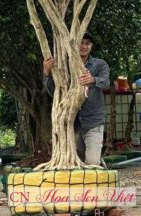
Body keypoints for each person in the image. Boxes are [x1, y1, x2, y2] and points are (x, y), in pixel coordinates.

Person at [43, 32, 110, 166]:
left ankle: (98, 163)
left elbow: (106, 82)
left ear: (91, 46)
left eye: (87, 43)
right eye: (81, 42)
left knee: (92, 163)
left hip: (93, 121)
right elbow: (54, 92)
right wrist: (46, 73)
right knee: (74, 161)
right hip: (71, 122)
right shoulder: (63, 65)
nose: (84, 46)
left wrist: (93, 80)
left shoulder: (99, 65)